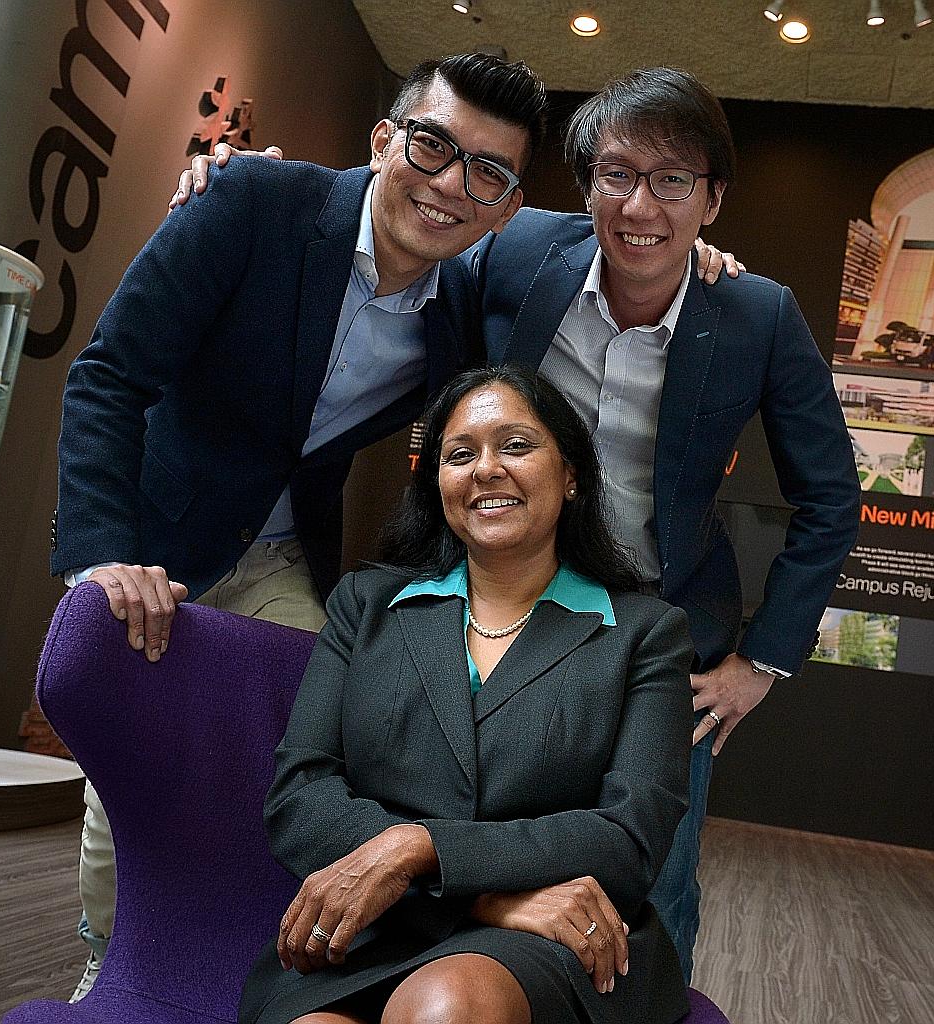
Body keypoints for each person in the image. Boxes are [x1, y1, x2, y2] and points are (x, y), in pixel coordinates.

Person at [179, 66, 861, 982]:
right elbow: (402, 218)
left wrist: (763, 661)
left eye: (673, 182)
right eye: (617, 174)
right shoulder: (516, 251)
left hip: (656, 644)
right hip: (498, 610)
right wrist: (245, 185)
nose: (641, 206)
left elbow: (832, 498)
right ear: (584, 187)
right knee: (447, 829)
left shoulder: (755, 314)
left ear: (714, 199)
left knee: (656, 882)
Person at [53, 53, 547, 1001]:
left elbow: (601, 233)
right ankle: (112, 955)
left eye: (486, 174)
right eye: (432, 146)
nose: (450, 186)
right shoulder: (254, 202)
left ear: (506, 206)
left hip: (284, 552)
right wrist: (102, 557)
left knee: (308, 754)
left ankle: (247, 956)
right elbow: (110, 375)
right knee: (139, 759)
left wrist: (684, 243)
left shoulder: (458, 317)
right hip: (162, 536)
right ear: (384, 140)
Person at [238, 365, 694, 1024]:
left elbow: (628, 840)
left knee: (444, 1006)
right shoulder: (364, 606)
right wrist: (484, 896)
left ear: (571, 476)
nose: (486, 469)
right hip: (375, 928)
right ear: (438, 485)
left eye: (515, 445)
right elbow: (299, 798)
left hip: (550, 943)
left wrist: (417, 848)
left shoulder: (646, 634)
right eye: (460, 454)